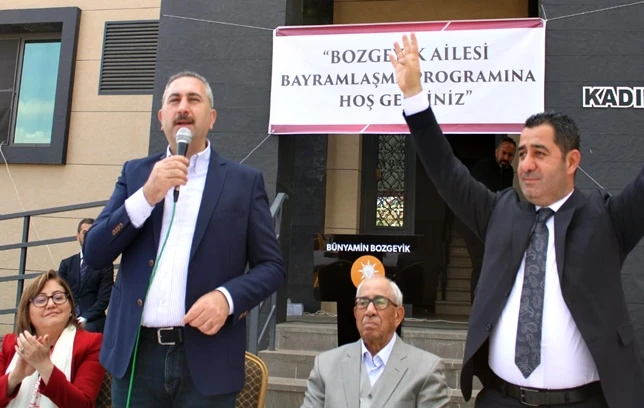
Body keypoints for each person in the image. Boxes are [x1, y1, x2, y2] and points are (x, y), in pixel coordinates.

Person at [389, 16, 644, 407]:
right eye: (522, 152)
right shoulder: (497, 212)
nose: (525, 164)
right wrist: (414, 97)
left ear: (571, 160)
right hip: (501, 399)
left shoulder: (607, 220)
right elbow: (446, 170)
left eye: (540, 153)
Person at [83, 71, 285, 407]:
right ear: (161, 117)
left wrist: (227, 299)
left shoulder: (244, 182)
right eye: (174, 100)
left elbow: (272, 267)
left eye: (194, 99)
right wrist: (147, 196)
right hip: (137, 359)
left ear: (212, 118)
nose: (183, 107)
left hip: (207, 360)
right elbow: (94, 252)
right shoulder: (136, 174)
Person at [300, 277, 449, 408]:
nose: (369, 311)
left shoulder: (426, 370)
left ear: (398, 315)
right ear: (355, 313)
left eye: (380, 302)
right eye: (363, 302)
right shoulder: (325, 366)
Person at [0, 270, 105, 407]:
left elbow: (83, 405)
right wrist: (15, 376)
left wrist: (45, 366)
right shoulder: (11, 343)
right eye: (40, 300)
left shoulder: (91, 343)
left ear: (70, 307)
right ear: (27, 312)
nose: (51, 304)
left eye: (58, 297)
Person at [461, 137, 516, 300]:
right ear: (496, 152)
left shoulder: (509, 172)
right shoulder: (483, 168)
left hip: (492, 226)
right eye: (504, 153)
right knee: (480, 265)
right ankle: (476, 305)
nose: (506, 158)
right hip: (474, 225)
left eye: (510, 155)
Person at [58, 218, 113, 333]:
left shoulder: (105, 265)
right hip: (67, 319)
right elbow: (60, 294)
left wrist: (83, 318)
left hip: (93, 321)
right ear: (77, 236)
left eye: (92, 233)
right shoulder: (66, 264)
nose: (88, 236)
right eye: (85, 233)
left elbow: (103, 300)